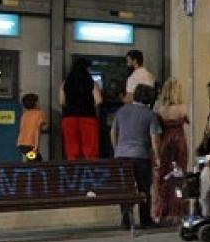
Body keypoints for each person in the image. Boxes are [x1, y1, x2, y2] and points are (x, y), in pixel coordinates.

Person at [112, 84, 162, 229]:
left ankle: (126, 219)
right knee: (143, 188)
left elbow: (113, 132)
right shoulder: (150, 114)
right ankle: (145, 220)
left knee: (126, 188)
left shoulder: (121, 111)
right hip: (141, 156)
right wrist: (157, 156)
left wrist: (117, 148)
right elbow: (154, 138)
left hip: (122, 156)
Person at [153, 77, 189, 224]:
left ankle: (163, 210)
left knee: (163, 176)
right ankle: (178, 210)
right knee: (179, 176)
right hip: (179, 142)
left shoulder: (159, 108)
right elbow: (187, 121)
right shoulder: (183, 108)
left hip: (165, 142)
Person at [59, 57, 102, 159]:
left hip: (69, 117)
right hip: (88, 116)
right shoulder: (91, 82)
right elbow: (99, 100)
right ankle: (89, 166)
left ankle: (73, 165)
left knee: (71, 146)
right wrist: (88, 106)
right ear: (86, 68)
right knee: (89, 147)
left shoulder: (66, 82)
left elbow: (61, 101)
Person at [16, 93, 46, 162]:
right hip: (31, 144)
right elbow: (37, 130)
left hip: (21, 144)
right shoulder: (40, 114)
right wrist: (36, 146)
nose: (40, 103)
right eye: (38, 101)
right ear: (35, 103)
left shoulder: (25, 114)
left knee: (33, 160)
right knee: (36, 162)